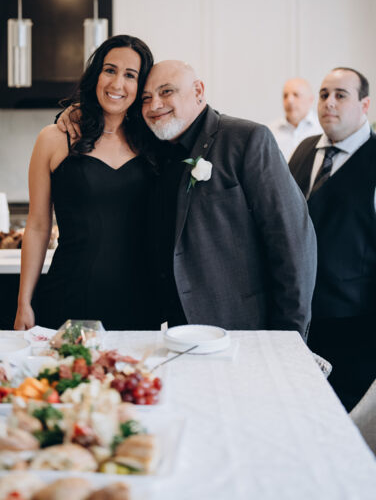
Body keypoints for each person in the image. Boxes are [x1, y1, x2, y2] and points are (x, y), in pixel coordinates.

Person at [140, 61, 317, 336]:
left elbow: (292, 240)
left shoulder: (247, 139)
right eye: (145, 98)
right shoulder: (154, 152)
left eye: (166, 92)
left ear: (198, 91)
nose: (154, 105)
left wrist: (289, 335)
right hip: (175, 331)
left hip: (242, 327)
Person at [14, 35, 156, 332]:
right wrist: (23, 302)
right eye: (110, 70)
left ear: (141, 86)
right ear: (96, 75)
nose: (117, 83)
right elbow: (38, 225)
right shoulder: (54, 138)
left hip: (140, 302)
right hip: (69, 295)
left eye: (130, 75)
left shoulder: (156, 141)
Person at [289, 67, 376, 410]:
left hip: (355, 326)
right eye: (324, 94)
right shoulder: (303, 150)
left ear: (364, 105)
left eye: (341, 95)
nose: (329, 102)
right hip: (298, 317)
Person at [268, 77, 321, 161]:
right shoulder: (270, 132)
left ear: (310, 99)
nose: (289, 100)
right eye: (285, 96)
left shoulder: (322, 130)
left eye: (296, 95)